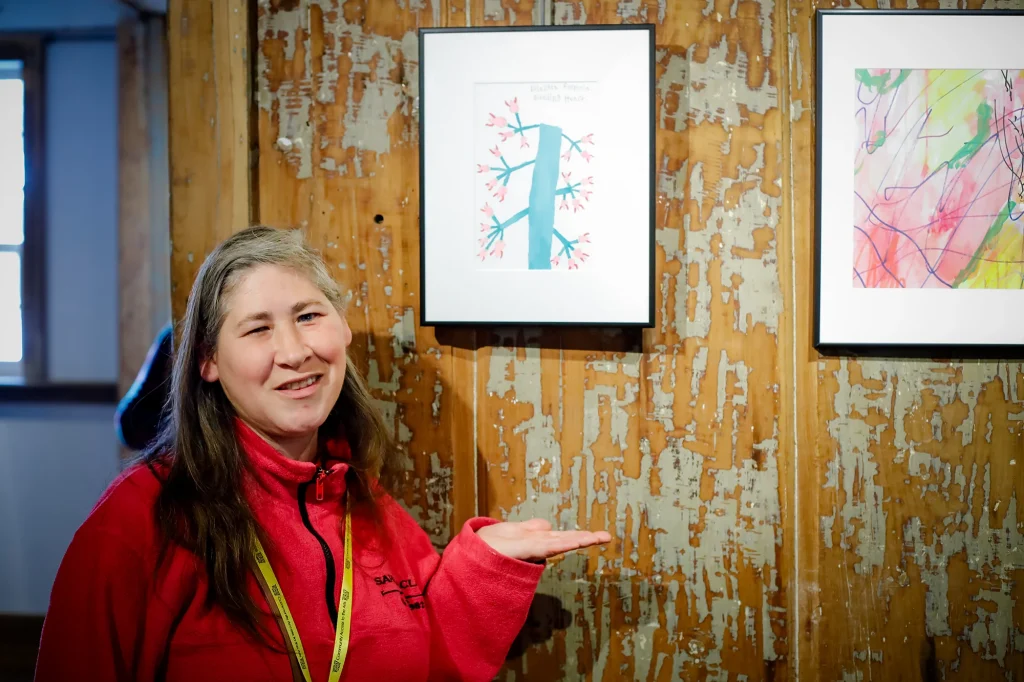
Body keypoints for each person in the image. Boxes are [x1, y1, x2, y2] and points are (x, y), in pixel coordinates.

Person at [34, 226, 611, 682]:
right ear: (207, 361)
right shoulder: (138, 520)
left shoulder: (365, 504)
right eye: (257, 329)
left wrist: (483, 564)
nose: (294, 351)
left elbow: (430, 658)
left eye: (309, 316)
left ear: (342, 330)